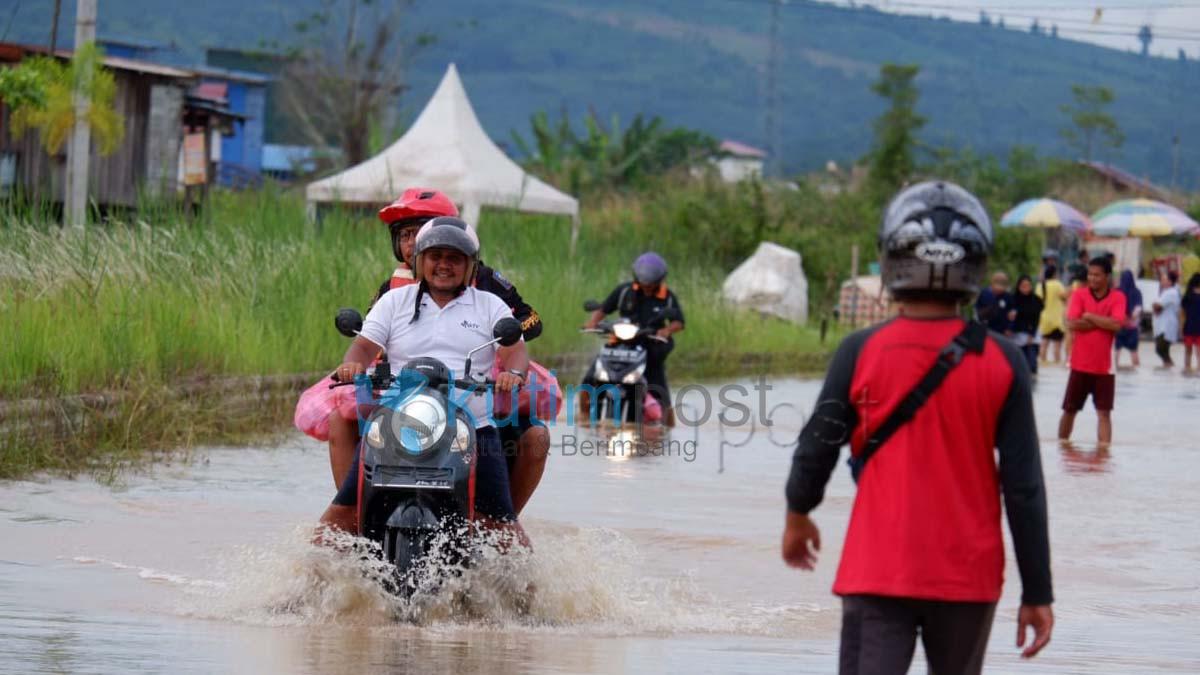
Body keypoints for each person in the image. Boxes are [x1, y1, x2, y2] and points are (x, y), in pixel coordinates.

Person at [780, 181, 1053, 675]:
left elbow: (815, 449)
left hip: (877, 570)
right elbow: (1024, 489)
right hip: (968, 579)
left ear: (890, 259)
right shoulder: (1004, 361)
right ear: (975, 265)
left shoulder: (859, 352)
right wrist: (1037, 592)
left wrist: (798, 513)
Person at [323, 188, 550, 516]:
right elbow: (362, 345)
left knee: (504, 533)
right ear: (420, 259)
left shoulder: (490, 300)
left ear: (470, 264)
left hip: (470, 421)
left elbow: (516, 346)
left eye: (454, 257)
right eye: (434, 255)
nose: (444, 265)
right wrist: (352, 366)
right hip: (397, 418)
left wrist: (513, 374)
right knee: (340, 517)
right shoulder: (392, 299)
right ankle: (331, 551)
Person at [583, 252, 685, 425]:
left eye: (650, 284)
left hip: (649, 346)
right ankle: (583, 416)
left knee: (659, 386)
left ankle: (669, 427)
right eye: (643, 282)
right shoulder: (624, 291)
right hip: (619, 344)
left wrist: (666, 330)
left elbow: (679, 322)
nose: (646, 286)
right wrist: (592, 322)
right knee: (590, 378)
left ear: (659, 280)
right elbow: (604, 309)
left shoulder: (667, 297)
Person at [1058, 257, 1125, 446]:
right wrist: (1102, 321)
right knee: (1069, 410)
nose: (1092, 278)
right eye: (1090, 274)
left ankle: (1104, 454)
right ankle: (1061, 448)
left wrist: (1089, 317)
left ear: (1107, 276)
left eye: (1097, 275)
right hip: (1079, 364)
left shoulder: (1118, 297)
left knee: (1104, 413)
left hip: (1105, 367)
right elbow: (1072, 323)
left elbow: (1117, 324)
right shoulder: (1079, 294)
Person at [1011, 275, 1043, 374]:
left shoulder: (1036, 300)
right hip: (1016, 334)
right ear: (1018, 286)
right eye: (1023, 286)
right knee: (1017, 364)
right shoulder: (1013, 299)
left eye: (1028, 286)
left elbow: (1036, 318)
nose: (1025, 289)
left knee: (1031, 363)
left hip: (1031, 334)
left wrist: (1031, 334)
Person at [1036, 265, 1068, 364]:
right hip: (1056, 320)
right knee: (1057, 345)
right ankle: (1056, 362)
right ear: (1054, 274)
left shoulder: (1040, 285)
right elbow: (1064, 297)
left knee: (1044, 342)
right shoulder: (1057, 284)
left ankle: (1043, 361)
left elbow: (1037, 300)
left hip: (1044, 318)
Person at [1151, 271, 1181, 369]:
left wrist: (1155, 305)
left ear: (1170, 282)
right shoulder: (1166, 292)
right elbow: (1157, 307)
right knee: (1163, 349)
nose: (1162, 282)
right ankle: (1168, 367)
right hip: (1162, 325)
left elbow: (1157, 306)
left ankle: (1169, 365)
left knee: (1160, 348)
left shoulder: (1171, 292)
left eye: (1165, 280)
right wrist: (1156, 306)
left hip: (1166, 326)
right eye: (1162, 279)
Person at [1114, 270, 1143, 369]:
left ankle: (1115, 369)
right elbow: (1138, 308)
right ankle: (1137, 373)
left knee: (1117, 350)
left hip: (1119, 326)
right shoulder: (1137, 292)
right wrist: (1131, 318)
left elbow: (1113, 308)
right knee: (1134, 351)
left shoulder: (1117, 291)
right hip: (1132, 326)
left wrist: (1123, 318)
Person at [1182, 273, 1200, 374]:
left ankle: (1187, 370)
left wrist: (1181, 328)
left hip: (1188, 327)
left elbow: (1183, 313)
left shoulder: (1187, 296)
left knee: (1188, 352)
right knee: (1199, 352)